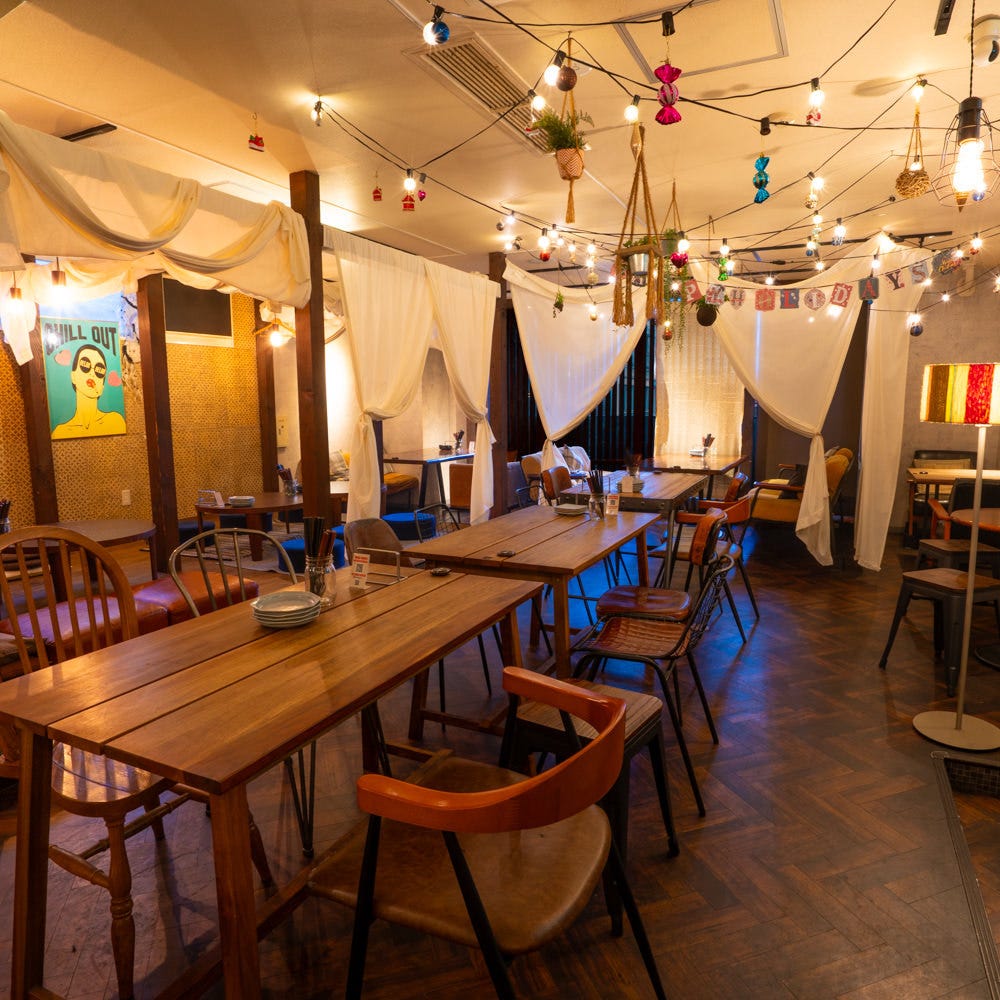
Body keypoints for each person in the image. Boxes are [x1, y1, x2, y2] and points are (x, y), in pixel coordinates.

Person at [51, 344, 126, 439]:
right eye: (85, 365)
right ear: (73, 376)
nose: (92, 373)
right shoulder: (60, 432)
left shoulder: (115, 421)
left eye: (99, 370)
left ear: (102, 386)